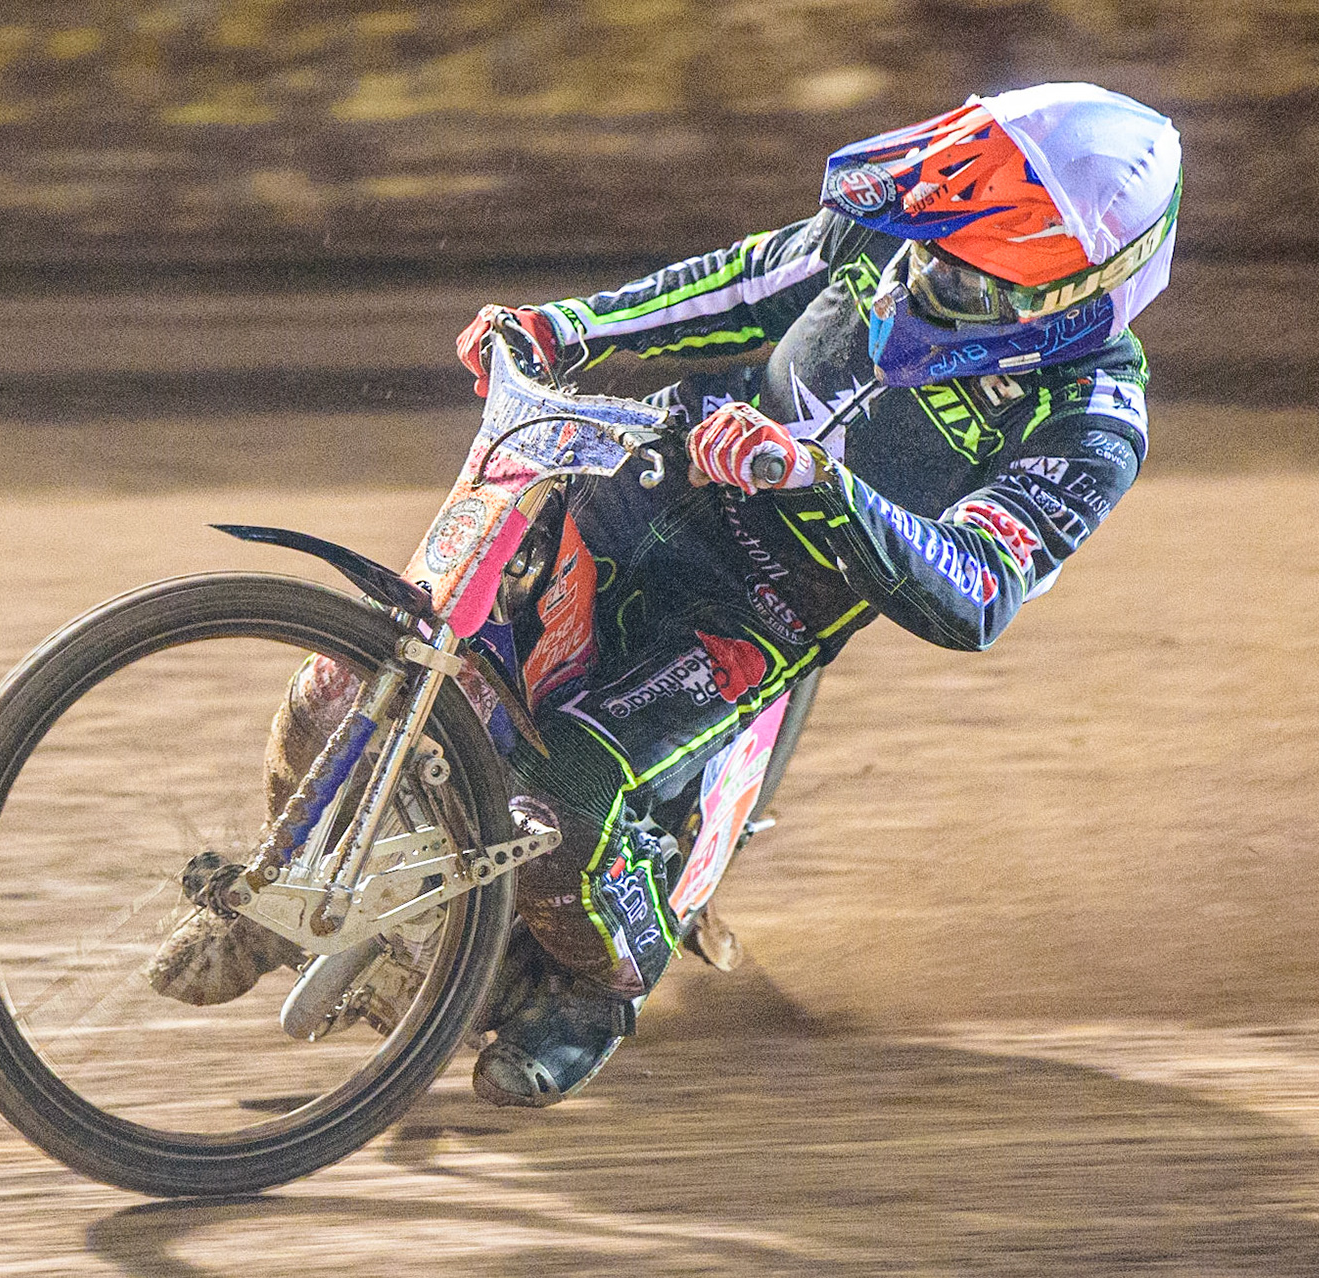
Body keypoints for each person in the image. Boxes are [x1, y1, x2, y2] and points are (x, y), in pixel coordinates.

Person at [258, 82, 1181, 1107]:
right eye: (925, 247)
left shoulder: (1092, 420)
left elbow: (977, 587)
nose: (918, 282)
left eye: (964, 281)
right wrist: (569, 327)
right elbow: (747, 284)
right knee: (352, 675)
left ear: (1077, 298)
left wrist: (819, 480)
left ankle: (598, 994)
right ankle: (273, 888)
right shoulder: (893, 231)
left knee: (555, 803)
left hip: (765, 604)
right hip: (649, 466)